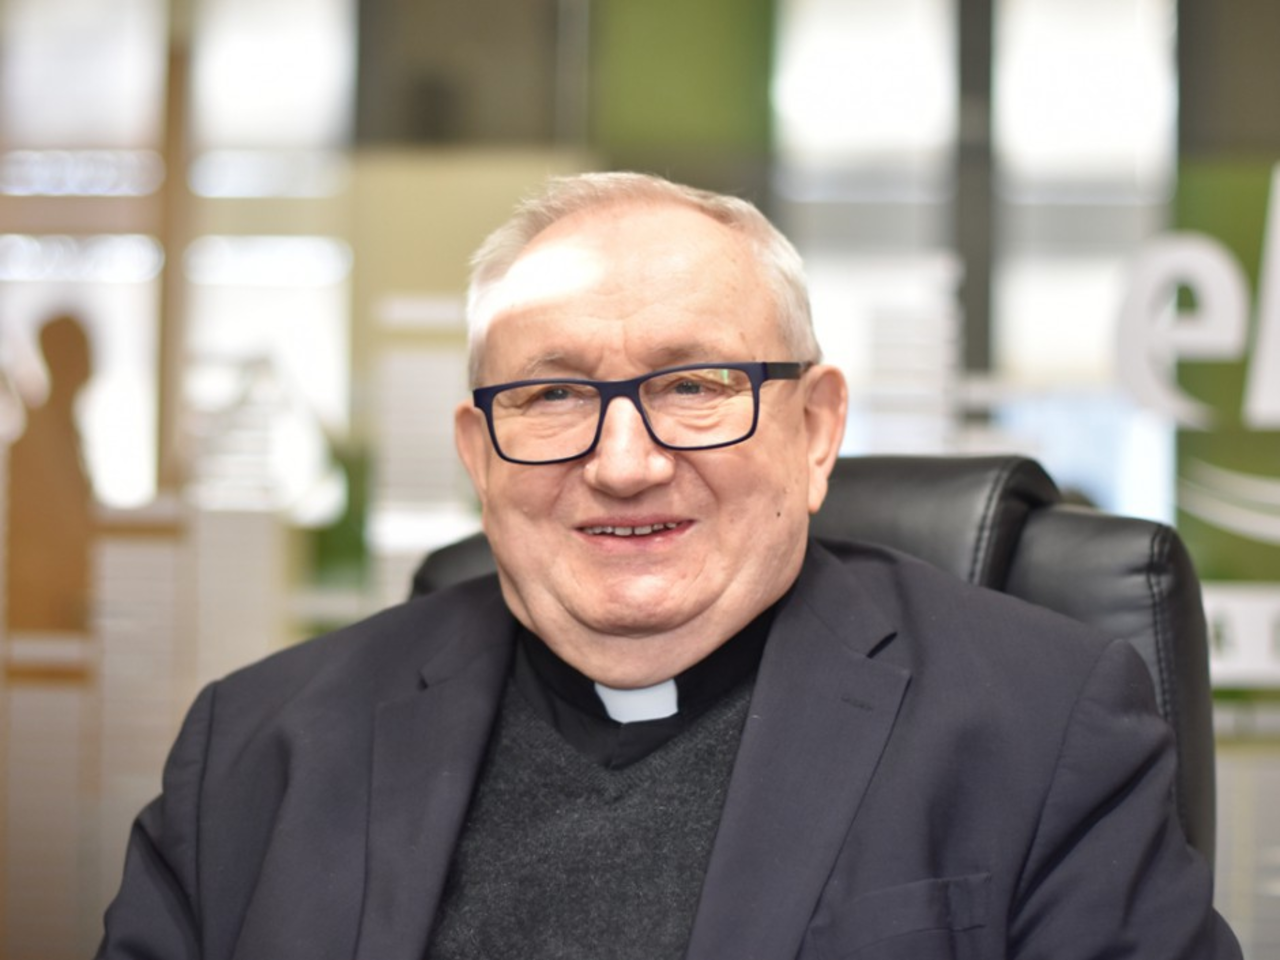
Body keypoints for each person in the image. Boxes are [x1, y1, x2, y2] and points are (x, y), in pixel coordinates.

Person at [96, 172, 1241, 959]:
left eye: (694, 386)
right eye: (551, 395)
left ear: (815, 432)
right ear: (476, 456)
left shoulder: (1041, 725)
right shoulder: (256, 747)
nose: (624, 465)